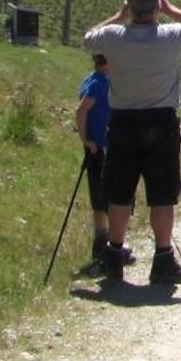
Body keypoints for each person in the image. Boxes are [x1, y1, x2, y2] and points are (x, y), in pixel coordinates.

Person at [82, 0, 181, 284]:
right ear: (155, 8)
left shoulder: (113, 37)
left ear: (131, 6)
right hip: (161, 122)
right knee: (163, 193)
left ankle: (113, 255)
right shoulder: (171, 36)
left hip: (123, 121)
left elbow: (88, 38)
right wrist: (171, 9)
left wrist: (118, 15)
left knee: (119, 190)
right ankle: (163, 258)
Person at [72, 53, 131, 271]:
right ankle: (108, 246)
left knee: (100, 198)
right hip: (101, 147)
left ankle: (103, 244)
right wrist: (86, 140)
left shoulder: (92, 78)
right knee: (108, 197)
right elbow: (81, 111)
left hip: (98, 147)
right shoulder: (101, 83)